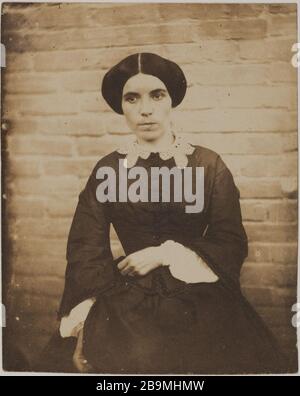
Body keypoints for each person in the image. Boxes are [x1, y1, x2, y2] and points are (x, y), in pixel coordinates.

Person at [37, 52, 288, 374]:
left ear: (172, 100)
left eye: (157, 95)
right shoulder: (108, 169)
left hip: (199, 292)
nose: (146, 109)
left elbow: (230, 239)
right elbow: (84, 246)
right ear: (121, 107)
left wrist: (165, 253)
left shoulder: (208, 164)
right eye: (132, 98)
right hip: (125, 297)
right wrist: (89, 306)